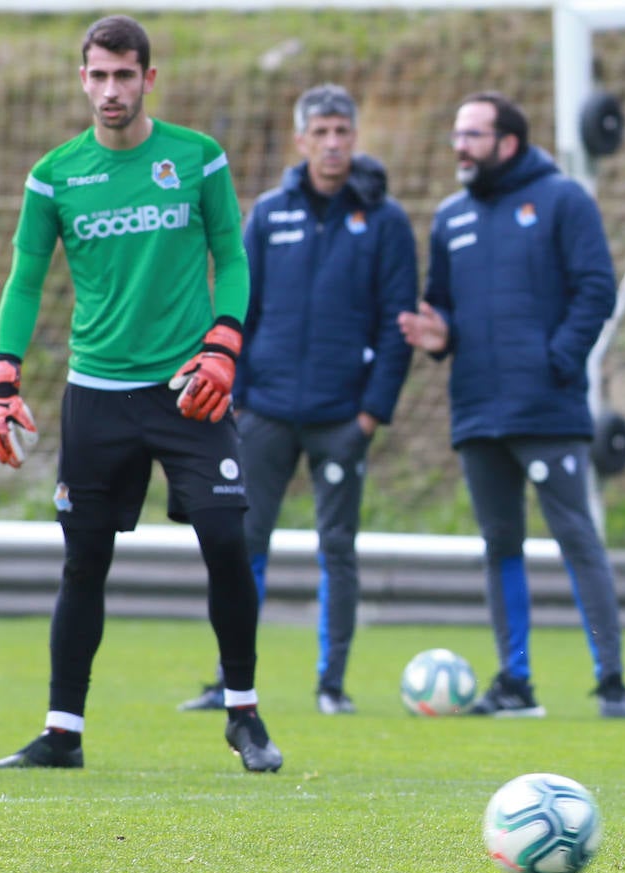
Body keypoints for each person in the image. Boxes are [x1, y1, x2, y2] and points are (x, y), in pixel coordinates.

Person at [0, 15, 281, 772]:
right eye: (98, 75)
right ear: (81, 79)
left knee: (226, 539)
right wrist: (3, 377)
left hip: (188, 390)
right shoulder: (54, 175)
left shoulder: (197, 158)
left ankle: (243, 713)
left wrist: (224, 344)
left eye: (125, 74)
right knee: (83, 562)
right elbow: (24, 281)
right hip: (96, 396)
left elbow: (232, 260)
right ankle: (62, 733)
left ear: (149, 78)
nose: (111, 89)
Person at [177, 84, 417, 716]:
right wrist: (236, 394)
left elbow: (398, 326)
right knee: (242, 543)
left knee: (337, 547)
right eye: (322, 132)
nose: (333, 143)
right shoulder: (269, 213)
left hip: (342, 418)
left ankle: (330, 685)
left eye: (343, 131)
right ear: (302, 139)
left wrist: (371, 412)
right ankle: (233, 683)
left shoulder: (385, 221)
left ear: (354, 137)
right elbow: (238, 305)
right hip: (264, 412)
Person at [398, 91, 625, 719]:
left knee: (576, 536)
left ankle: (611, 682)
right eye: (456, 134)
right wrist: (438, 334)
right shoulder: (451, 217)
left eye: (472, 134)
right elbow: (439, 303)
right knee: (499, 543)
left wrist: (557, 362)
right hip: (476, 411)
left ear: (508, 142)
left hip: (547, 408)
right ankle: (515, 684)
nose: (460, 146)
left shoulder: (563, 200)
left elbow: (596, 290)